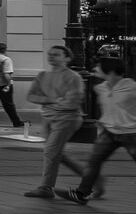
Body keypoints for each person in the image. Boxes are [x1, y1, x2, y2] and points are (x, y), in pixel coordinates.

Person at [56, 55, 136, 204]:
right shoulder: (100, 88)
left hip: (131, 133)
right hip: (109, 133)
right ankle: (81, 193)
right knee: (93, 162)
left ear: (110, 70)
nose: (95, 69)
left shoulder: (131, 87)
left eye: (98, 66)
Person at [24, 44, 90, 199]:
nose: (51, 57)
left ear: (67, 58)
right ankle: (91, 177)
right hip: (48, 118)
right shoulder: (42, 76)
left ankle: (46, 187)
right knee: (56, 154)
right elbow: (31, 96)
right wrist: (53, 100)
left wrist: (48, 102)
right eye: (50, 54)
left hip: (67, 118)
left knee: (51, 151)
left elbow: (72, 102)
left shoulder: (73, 77)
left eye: (56, 54)